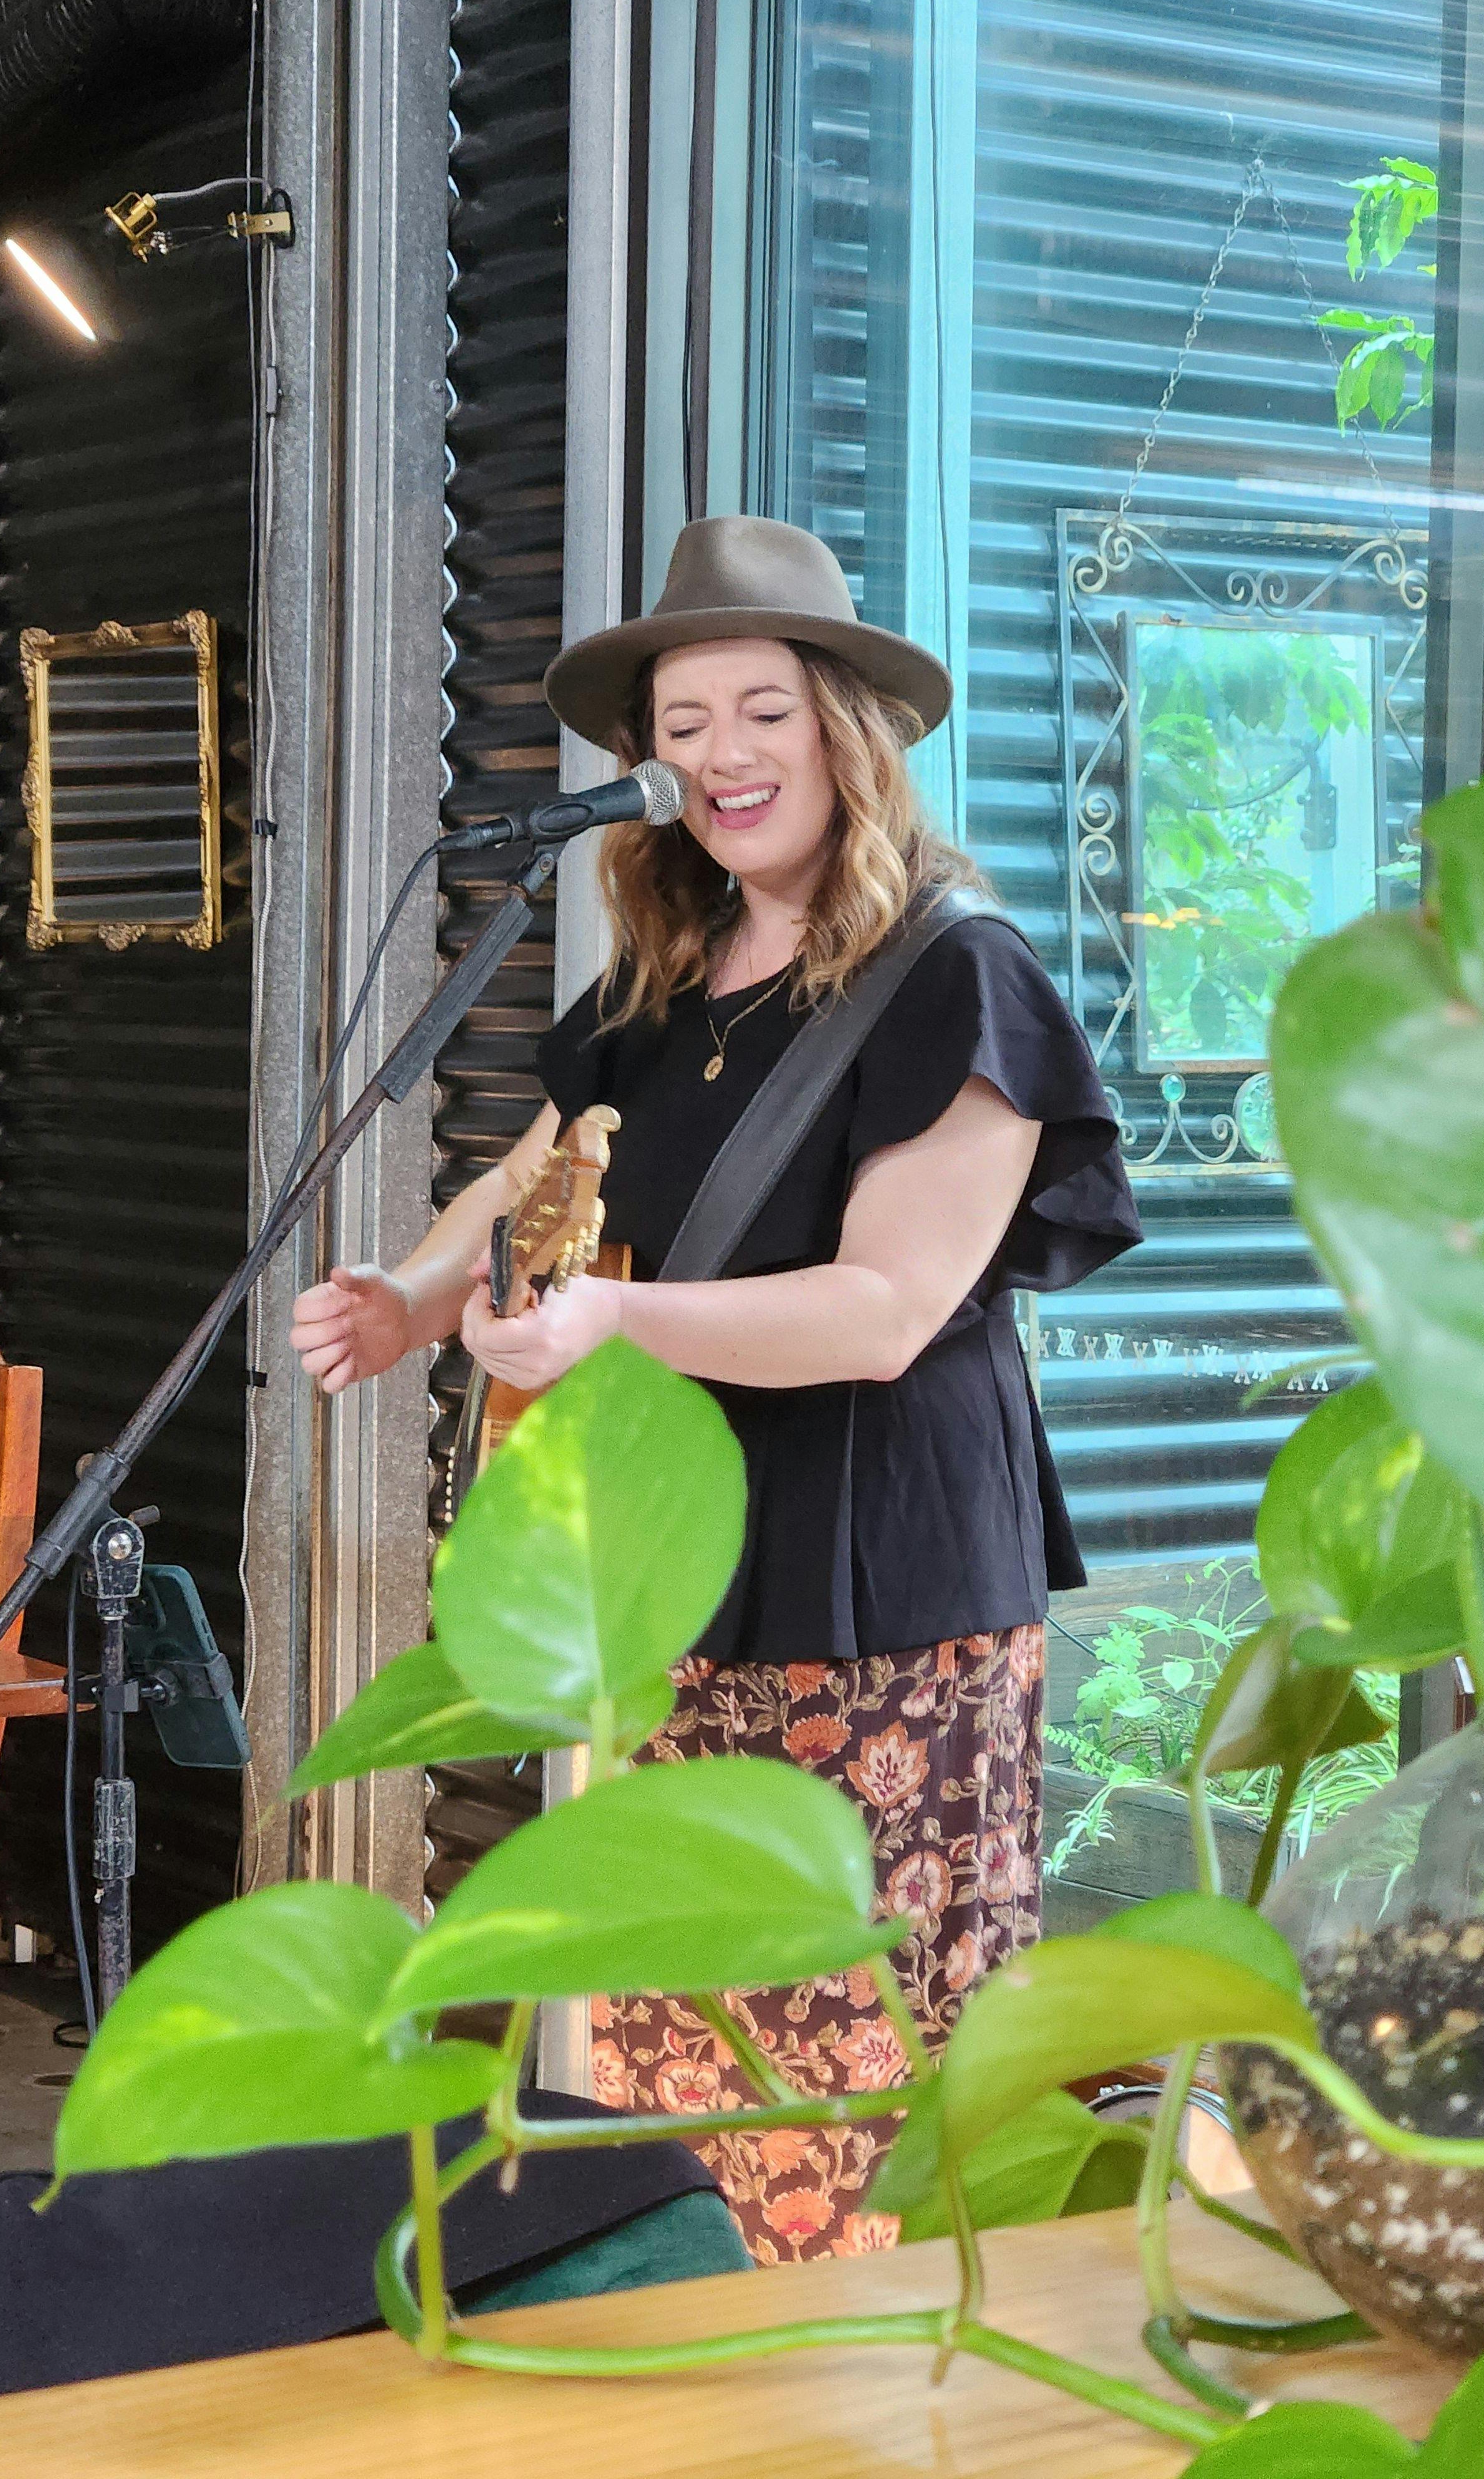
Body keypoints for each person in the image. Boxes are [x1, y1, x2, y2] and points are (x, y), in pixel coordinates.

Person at [291, 516, 1142, 2263]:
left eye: (762, 710)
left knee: (859, 2049)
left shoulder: (958, 974)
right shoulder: (667, 971)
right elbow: (532, 1165)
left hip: (875, 1570)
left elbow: (889, 1309)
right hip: (685, 1556)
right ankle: (735, 2387)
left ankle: (894, 2405)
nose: (721, 756)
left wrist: (612, 1327)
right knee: (690, 2035)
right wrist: (413, 1291)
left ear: (850, 731)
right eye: (682, 726)